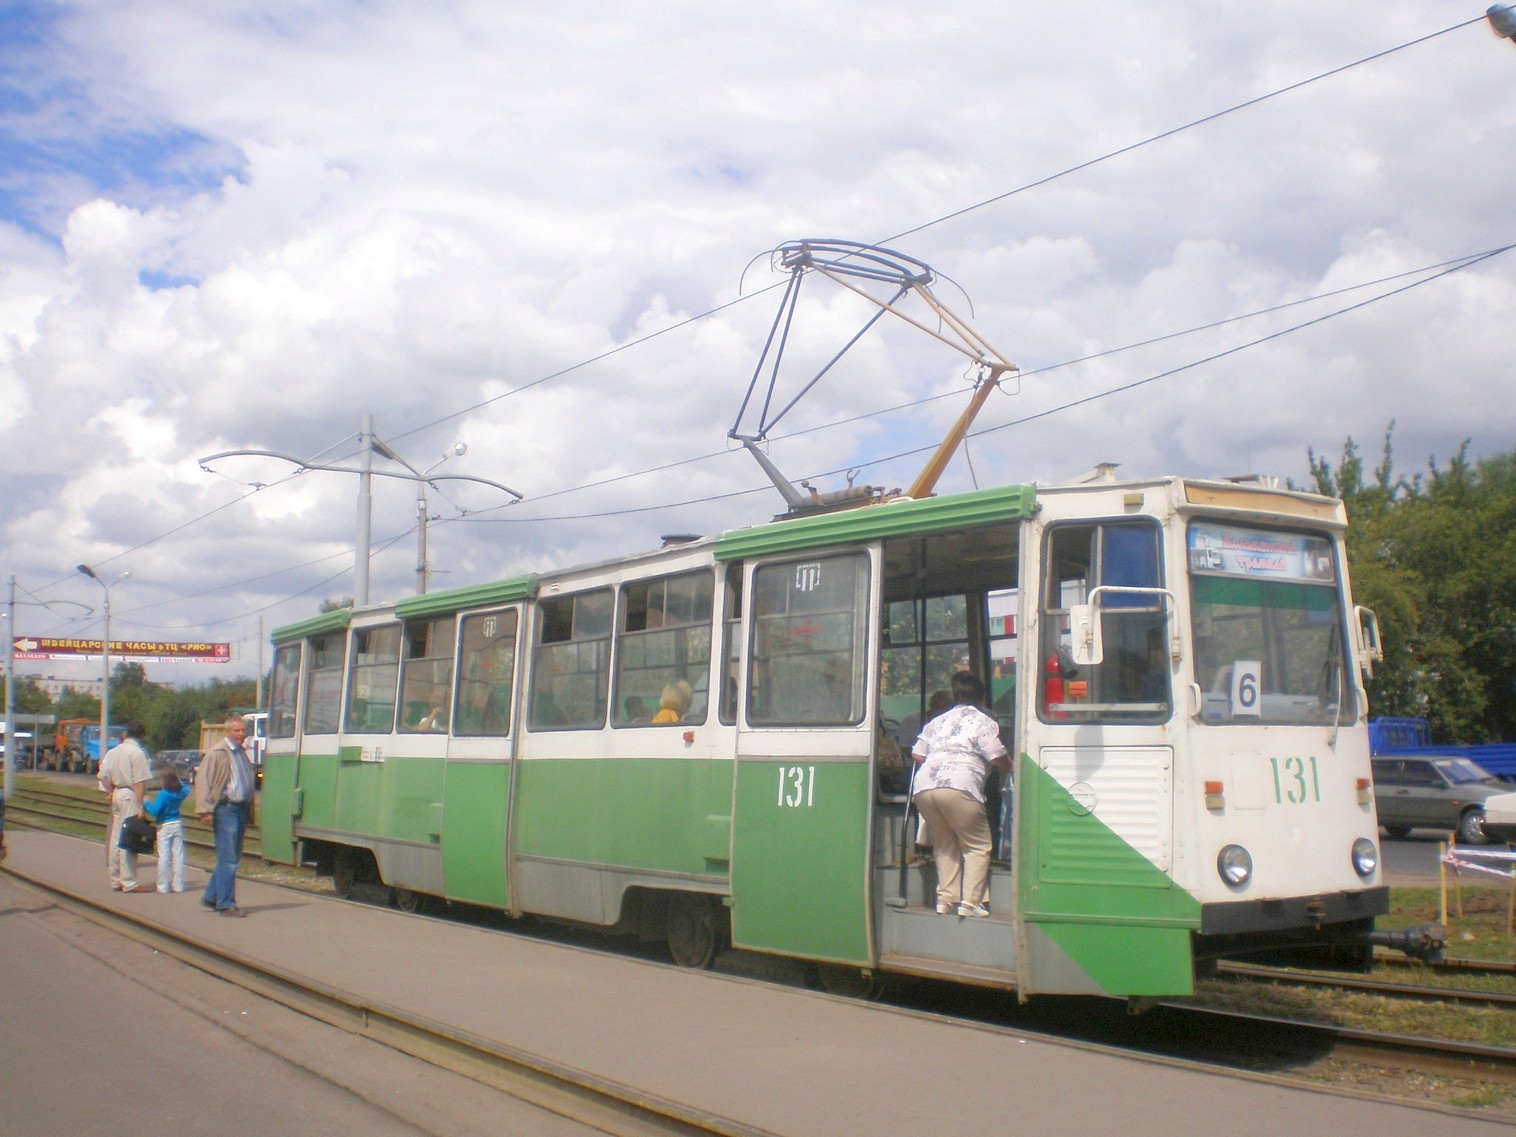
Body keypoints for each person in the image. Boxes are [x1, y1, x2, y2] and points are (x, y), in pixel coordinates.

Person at [910, 672, 1009, 918]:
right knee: (977, 844)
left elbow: (917, 755)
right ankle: (971, 902)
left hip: (924, 787)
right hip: (960, 785)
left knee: (944, 844)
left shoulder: (936, 721)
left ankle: (945, 900)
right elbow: (996, 755)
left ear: (955, 696)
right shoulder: (983, 721)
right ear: (981, 698)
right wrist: (1013, 765)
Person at [196, 715, 257, 917]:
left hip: (240, 809)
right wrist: (205, 810)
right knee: (229, 859)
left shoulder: (242, 754)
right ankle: (226, 904)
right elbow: (203, 781)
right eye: (236, 731)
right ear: (228, 732)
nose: (240, 734)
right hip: (225, 809)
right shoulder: (217, 753)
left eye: (243, 730)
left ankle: (211, 896)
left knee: (231, 858)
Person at [97, 721, 153, 893]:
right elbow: (139, 782)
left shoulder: (113, 752)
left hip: (117, 793)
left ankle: (115, 880)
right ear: (141, 736)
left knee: (116, 837)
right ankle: (129, 882)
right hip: (129, 795)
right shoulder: (137, 753)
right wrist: (140, 806)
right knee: (129, 837)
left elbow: (102, 776)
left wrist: (111, 790)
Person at [143, 770, 191, 893]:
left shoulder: (163, 794)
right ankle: (178, 885)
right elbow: (185, 788)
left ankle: (163, 886)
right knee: (178, 856)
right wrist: (176, 779)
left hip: (164, 826)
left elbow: (155, 811)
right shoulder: (181, 792)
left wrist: (146, 803)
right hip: (177, 824)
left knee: (164, 856)